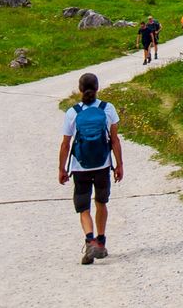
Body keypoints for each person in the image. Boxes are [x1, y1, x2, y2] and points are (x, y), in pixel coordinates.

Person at [57, 72, 123, 264]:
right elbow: (115, 140)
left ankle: (89, 240)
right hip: (102, 163)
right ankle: (101, 242)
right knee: (101, 202)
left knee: (83, 207)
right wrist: (119, 164)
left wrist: (62, 169)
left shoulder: (73, 112)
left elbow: (65, 144)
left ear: (79, 89)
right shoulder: (107, 108)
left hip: (80, 166)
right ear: (97, 88)